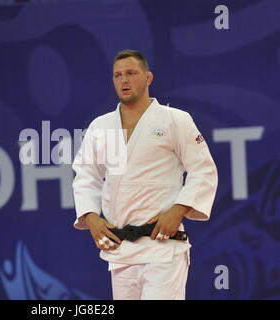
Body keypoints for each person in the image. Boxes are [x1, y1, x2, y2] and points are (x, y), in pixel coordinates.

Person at [71, 49, 218, 300]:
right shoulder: (101, 126)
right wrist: (90, 217)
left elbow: (203, 168)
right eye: (118, 75)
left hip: (162, 247)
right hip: (121, 250)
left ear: (148, 78)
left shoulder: (175, 120)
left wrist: (178, 209)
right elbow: (86, 176)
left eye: (131, 73)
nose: (124, 80)